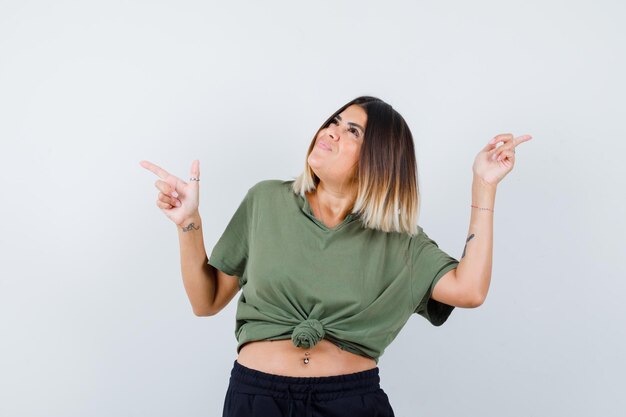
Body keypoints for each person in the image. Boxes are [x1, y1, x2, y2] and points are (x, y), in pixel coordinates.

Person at [140, 96, 532, 417]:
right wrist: (188, 224)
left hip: (349, 403)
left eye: (352, 130)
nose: (331, 130)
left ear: (379, 158)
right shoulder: (266, 201)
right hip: (256, 399)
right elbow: (205, 301)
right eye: (334, 121)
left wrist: (484, 186)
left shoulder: (399, 241)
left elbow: (470, 290)